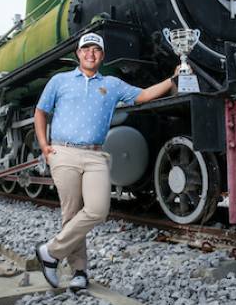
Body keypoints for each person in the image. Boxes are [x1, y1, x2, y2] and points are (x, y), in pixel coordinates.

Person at [34, 32, 177, 291]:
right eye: (86, 49)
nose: (91, 53)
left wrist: (173, 80)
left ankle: (50, 252)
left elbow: (144, 95)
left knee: (98, 209)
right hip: (64, 152)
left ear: (102, 56)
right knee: (71, 213)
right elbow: (41, 112)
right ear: (78, 53)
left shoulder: (112, 84)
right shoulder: (59, 81)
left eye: (96, 50)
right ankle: (79, 272)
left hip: (95, 154)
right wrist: (44, 146)